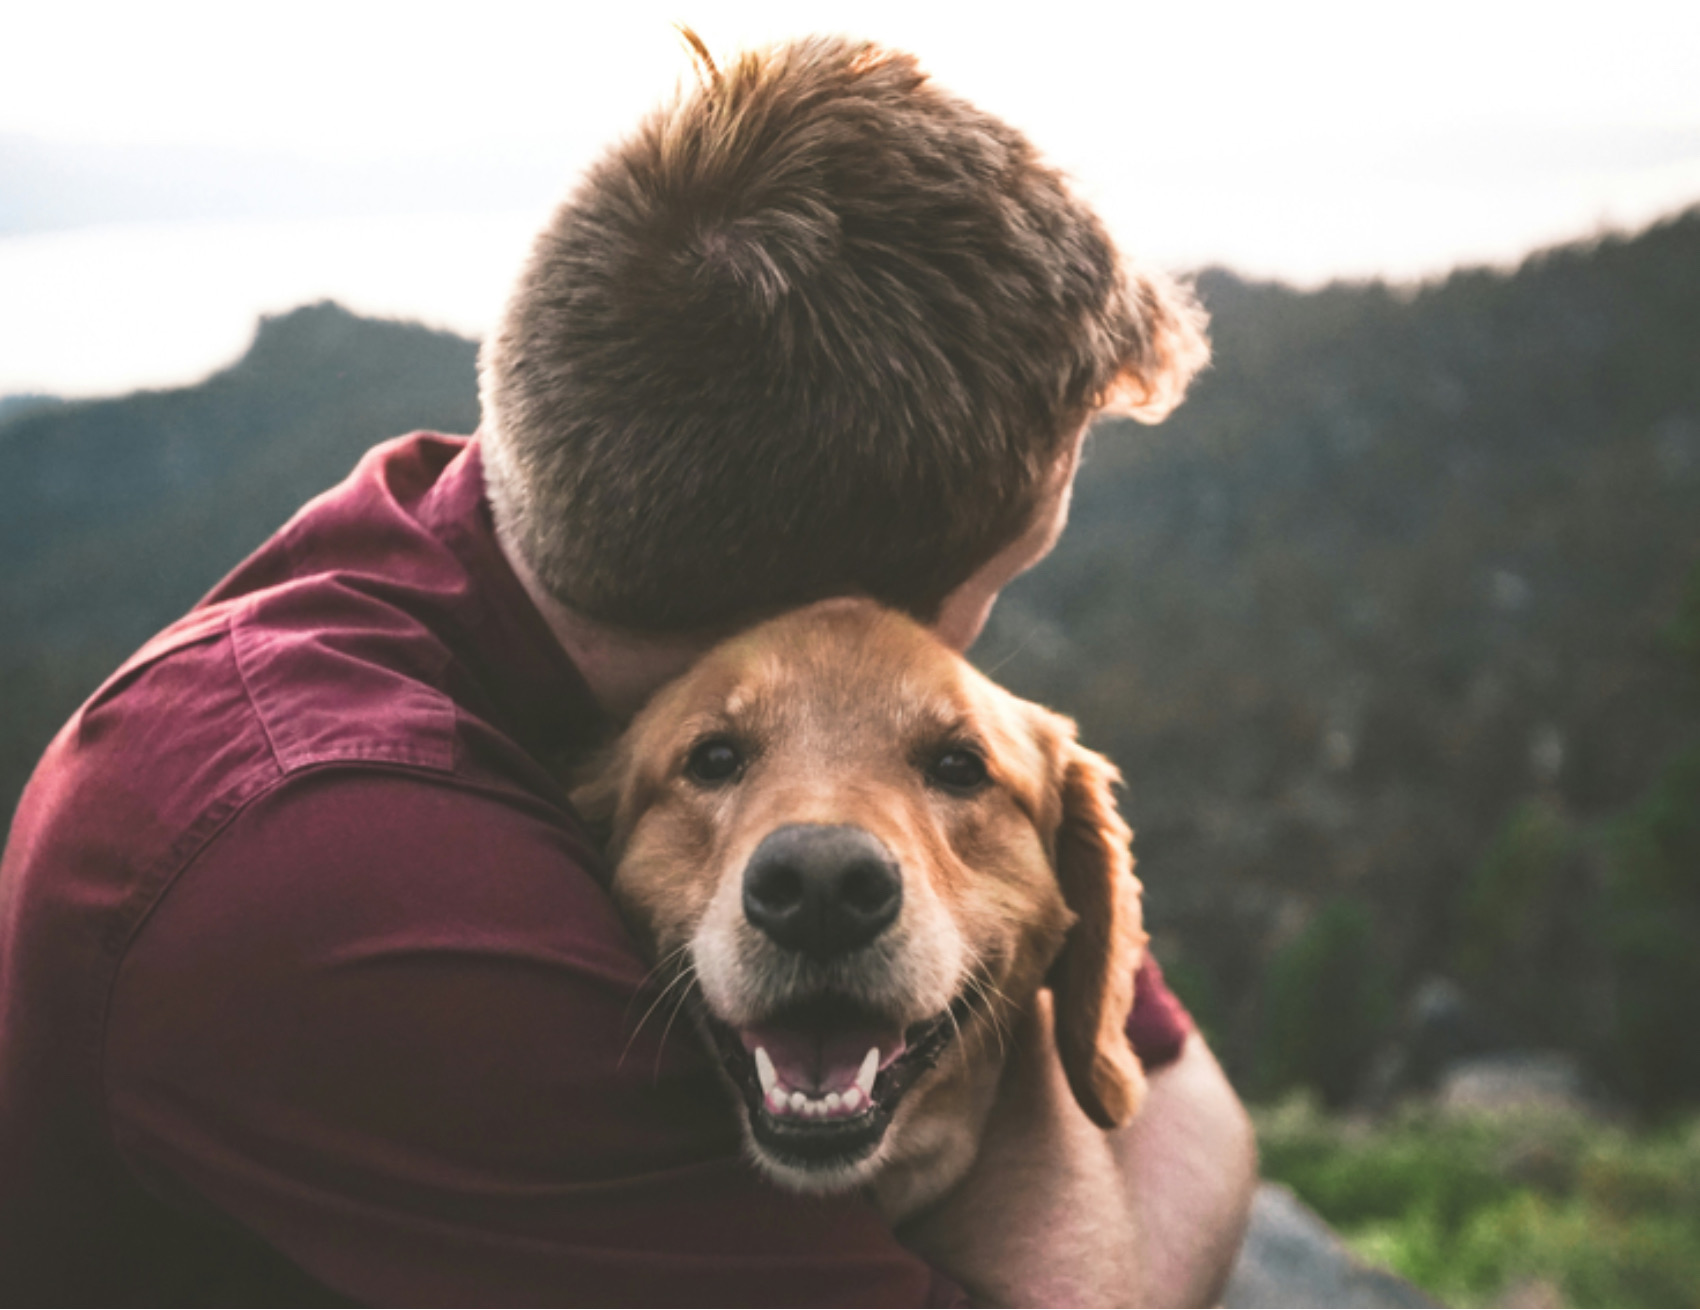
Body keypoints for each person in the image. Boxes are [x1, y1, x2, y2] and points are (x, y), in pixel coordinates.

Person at [0, 33, 1255, 1305]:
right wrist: (1018, 1057)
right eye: (1000, 577)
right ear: (832, 612)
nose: (960, 647)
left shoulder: (504, 528)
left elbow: (1184, 1096)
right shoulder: (338, 875)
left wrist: (1009, 994)